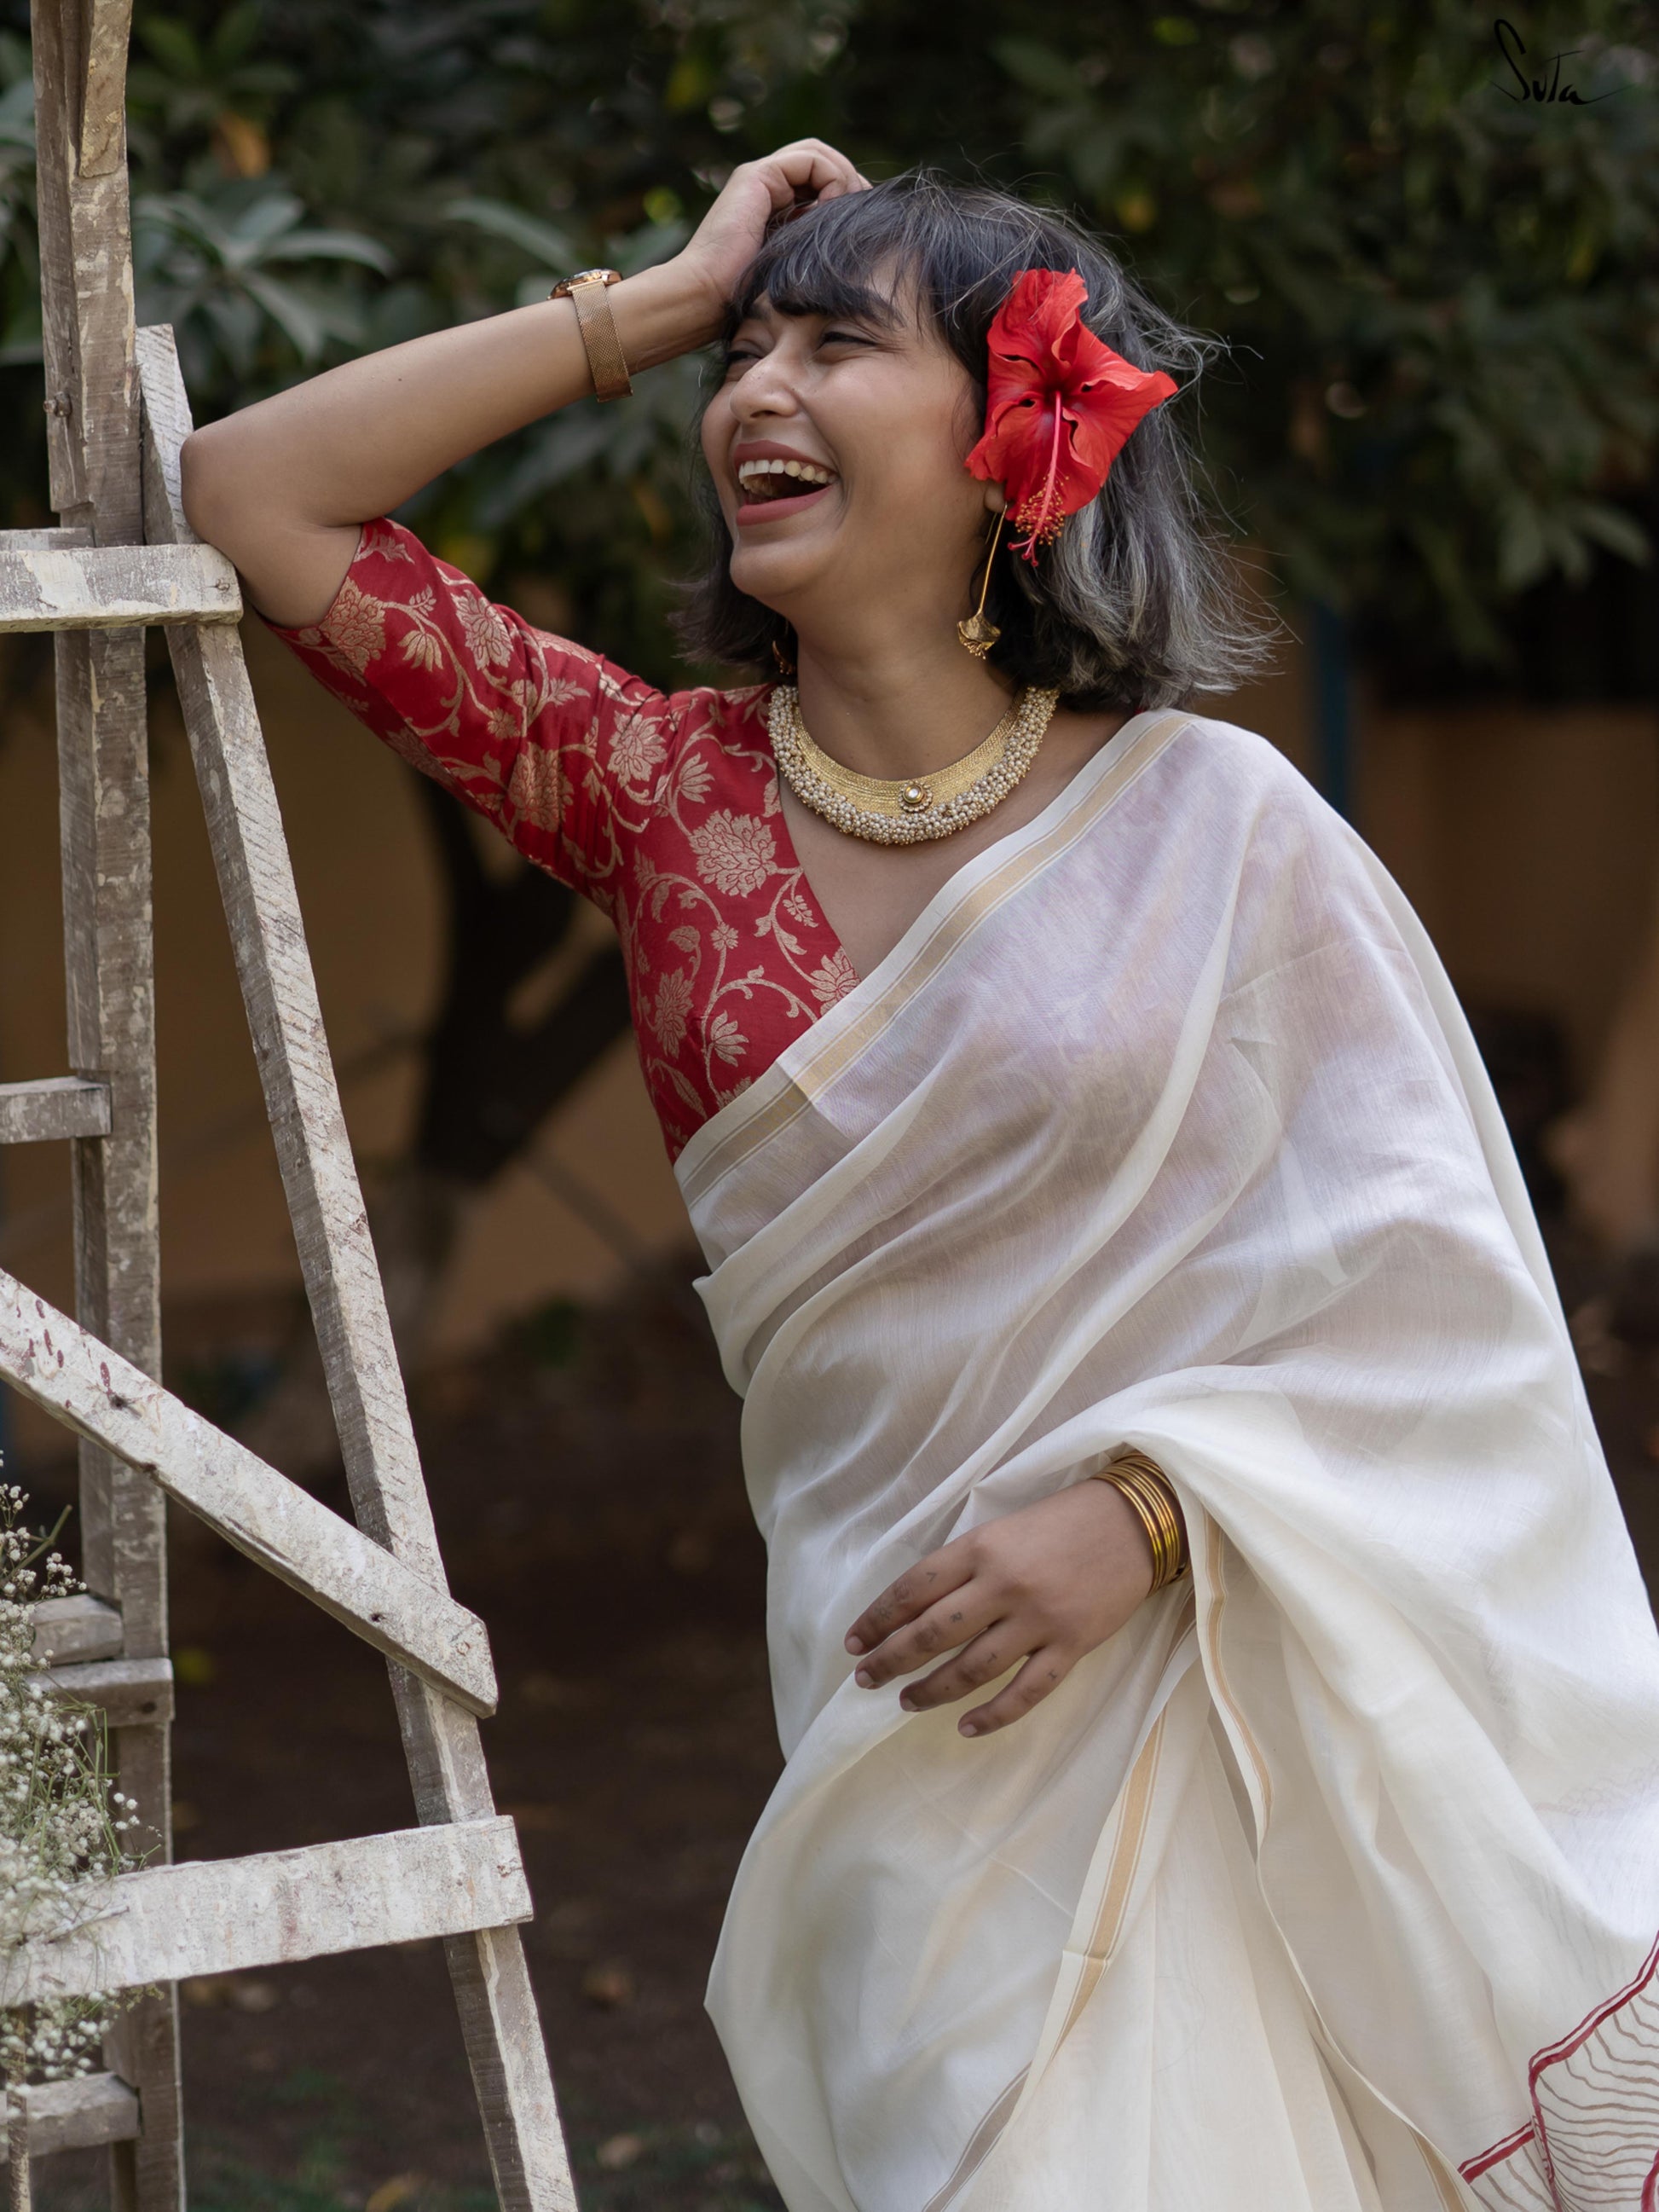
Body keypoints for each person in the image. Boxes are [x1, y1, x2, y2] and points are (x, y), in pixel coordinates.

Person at [182, 147, 1659, 2212]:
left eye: (837, 343)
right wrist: (654, 302)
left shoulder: (1218, 824)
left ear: (1008, 444)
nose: (756, 390)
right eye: (746, 351)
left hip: (1211, 1691)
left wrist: (1148, 1516)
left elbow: (1434, 1301)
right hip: (911, 1738)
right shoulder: (659, 802)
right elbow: (251, 489)